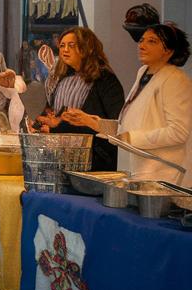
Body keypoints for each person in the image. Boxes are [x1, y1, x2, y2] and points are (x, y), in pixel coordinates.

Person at [67, 24, 192, 183]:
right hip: (138, 173)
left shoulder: (176, 79)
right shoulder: (143, 73)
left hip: (164, 178)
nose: (142, 45)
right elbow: (129, 126)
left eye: (152, 41)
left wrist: (132, 138)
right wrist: (93, 123)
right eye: (141, 40)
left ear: (168, 50)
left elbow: (178, 132)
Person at [34, 27, 125, 172]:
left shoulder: (106, 79)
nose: (65, 50)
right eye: (62, 46)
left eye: (71, 45)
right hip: (63, 157)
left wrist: (59, 126)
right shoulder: (61, 78)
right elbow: (54, 114)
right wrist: (43, 123)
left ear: (86, 48)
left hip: (96, 162)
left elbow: (117, 124)